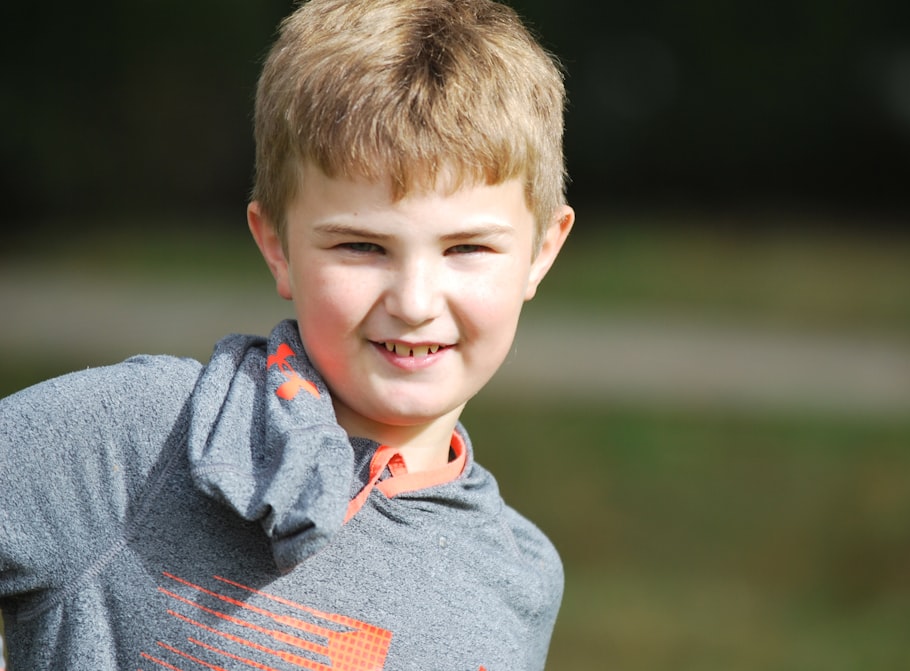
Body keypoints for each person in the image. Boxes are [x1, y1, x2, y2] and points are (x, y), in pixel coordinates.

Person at [0, 0, 574, 668]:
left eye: (468, 247)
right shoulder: (143, 441)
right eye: (362, 245)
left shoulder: (523, 576)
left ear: (541, 250)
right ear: (276, 245)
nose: (415, 301)